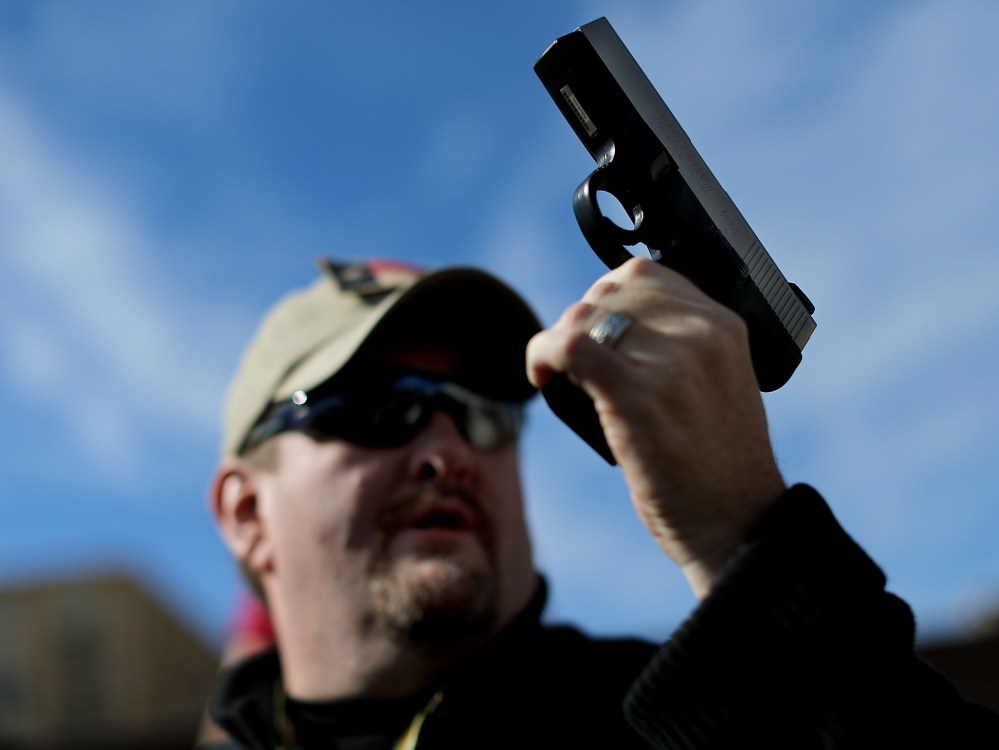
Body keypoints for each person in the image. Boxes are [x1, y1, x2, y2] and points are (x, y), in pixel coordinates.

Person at [203, 255, 999, 749]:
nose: (447, 453)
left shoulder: (674, 724)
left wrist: (744, 543)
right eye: (377, 409)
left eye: (482, 411)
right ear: (246, 514)